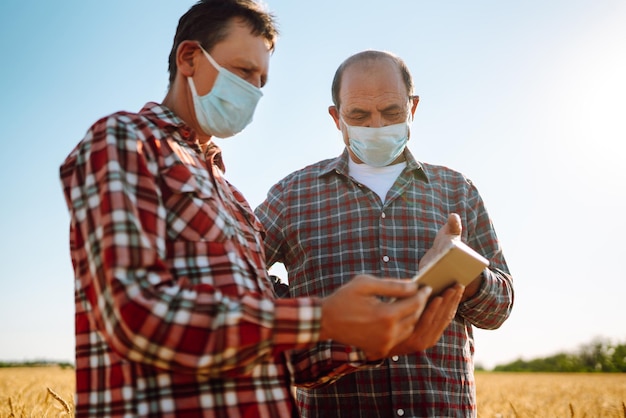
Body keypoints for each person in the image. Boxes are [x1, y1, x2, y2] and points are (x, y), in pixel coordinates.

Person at [58, 2, 462, 417]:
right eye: (243, 71)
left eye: (261, 79)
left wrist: (376, 340)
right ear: (190, 58)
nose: (253, 90)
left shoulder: (233, 198)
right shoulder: (126, 141)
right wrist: (322, 315)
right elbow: (136, 312)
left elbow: (272, 351)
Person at [255, 50, 515, 417]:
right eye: (359, 115)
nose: (376, 126)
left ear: (413, 107)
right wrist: (306, 312)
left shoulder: (457, 190)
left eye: (391, 112)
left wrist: (463, 273)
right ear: (336, 117)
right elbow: (237, 273)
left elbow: (501, 307)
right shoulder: (292, 195)